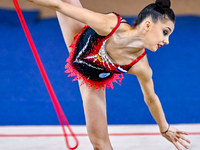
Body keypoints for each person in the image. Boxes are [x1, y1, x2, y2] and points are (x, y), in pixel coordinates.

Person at [26, 0, 191, 149]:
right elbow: (59, 6)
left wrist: (165, 128)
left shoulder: (141, 66)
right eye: (165, 32)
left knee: (100, 144)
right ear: (147, 25)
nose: (167, 41)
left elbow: (151, 98)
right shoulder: (111, 25)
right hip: (76, 36)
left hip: (91, 81)